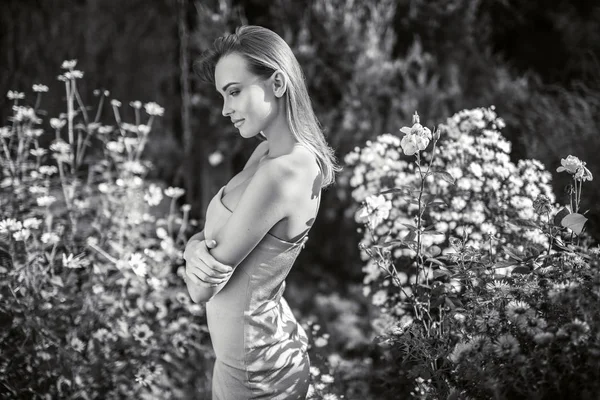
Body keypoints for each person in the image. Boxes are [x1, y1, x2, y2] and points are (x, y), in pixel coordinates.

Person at [182, 25, 341, 400]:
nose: (225, 109)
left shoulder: (282, 171)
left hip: (255, 374)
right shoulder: (265, 153)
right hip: (246, 357)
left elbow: (202, 288)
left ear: (279, 83)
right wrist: (193, 249)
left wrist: (192, 251)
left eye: (234, 92)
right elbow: (209, 247)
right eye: (222, 95)